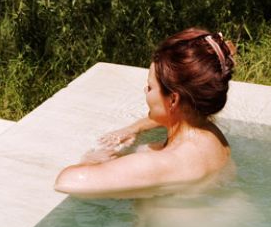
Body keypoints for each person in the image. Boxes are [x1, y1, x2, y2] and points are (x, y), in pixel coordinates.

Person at [54, 28, 237, 199]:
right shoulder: (209, 134)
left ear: (173, 99)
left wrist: (93, 160)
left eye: (150, 87)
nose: (145, 91)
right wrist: (134, 128)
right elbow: (176, 116)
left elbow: (66, 182)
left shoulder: (166, 162)